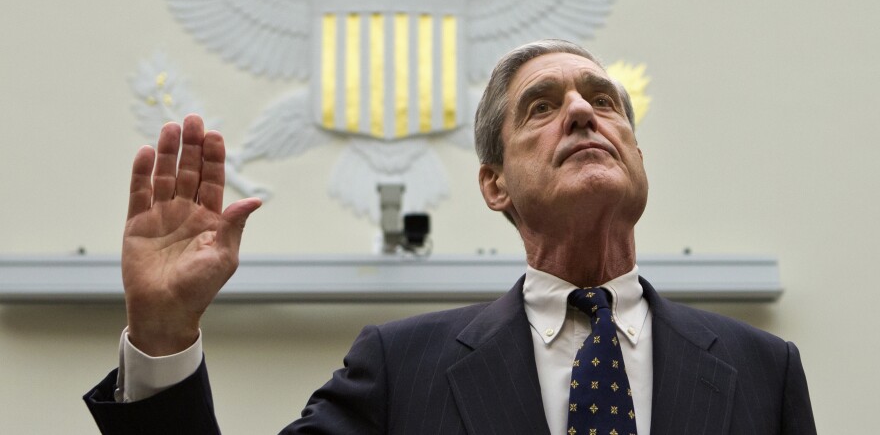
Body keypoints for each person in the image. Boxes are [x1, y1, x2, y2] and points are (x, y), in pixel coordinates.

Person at [84, 39, 816, 434]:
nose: (582, 113)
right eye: (542, 106)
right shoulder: (401, 370)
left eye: (600, 101)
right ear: (494, 184)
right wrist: (164, 337)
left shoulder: (763, 371)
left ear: (638, 159)